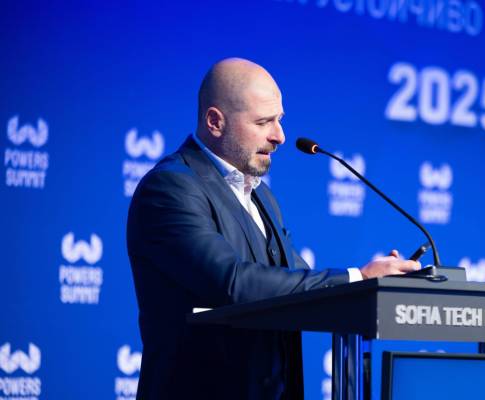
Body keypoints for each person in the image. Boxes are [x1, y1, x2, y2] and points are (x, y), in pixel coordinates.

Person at [126, 58, 420, 399]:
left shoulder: (262, 195)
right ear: (215, 121)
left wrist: (372, 282)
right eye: (264, 122)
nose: (279, 136)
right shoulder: (170, 188)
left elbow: (298, 282)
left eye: (279, 119)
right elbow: (232, 283)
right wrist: (357, 277)